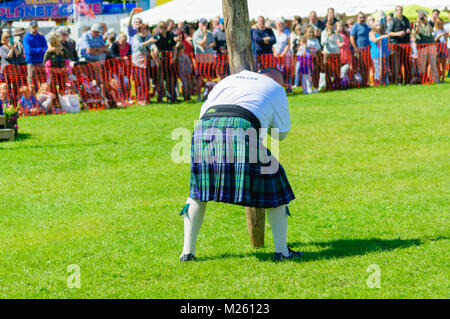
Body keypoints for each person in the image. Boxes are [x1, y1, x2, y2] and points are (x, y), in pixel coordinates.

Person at [180, 67, 300, 262]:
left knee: (198, 193)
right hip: (241, 128)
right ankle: (283, 253)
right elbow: (281, 133)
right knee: (277, 188)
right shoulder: (276, 88)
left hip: (203, 130)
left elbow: (203, 112)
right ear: (279, 81)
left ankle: (187, 253)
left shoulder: (229, 79)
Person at [152, 21, 178, 103]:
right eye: (161, 27)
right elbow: (152, 49)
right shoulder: (156, 36)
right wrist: (157, 60)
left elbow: (174, 47)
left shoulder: (170, 35)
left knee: (170, 80)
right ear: (158, 28)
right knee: (160, 81)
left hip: (169, 61)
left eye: (165, 27)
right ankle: (160, 98)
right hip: (160, 61)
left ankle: (171, 97)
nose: (163, 29)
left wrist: (174, 56)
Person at [193, 18, 216, 101]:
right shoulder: (196, 34)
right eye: (202, 23)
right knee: (200, 78)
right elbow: (202, 43)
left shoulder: (210, 33)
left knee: (209, 78)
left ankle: (208, 96)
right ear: (199, 24)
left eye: (205, 23)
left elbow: (214, 43)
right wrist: (205, 34)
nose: (204, 25)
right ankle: (199, 96)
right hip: (200, 59)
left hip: (209, 58)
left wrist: (208, 46)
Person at [387, 6, 411, 85]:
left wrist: (409, 30)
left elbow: (410, 28)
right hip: (396, 44)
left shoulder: (406, 19)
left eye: (401, 10)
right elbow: (389, 33)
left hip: (406, 44)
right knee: (397, 64)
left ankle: (407, 81)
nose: (400, 12)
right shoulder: (392, 21)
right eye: (398, 10)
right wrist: (398, 33)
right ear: (396, 12)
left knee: (407, 63)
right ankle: (399, 81)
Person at [131, 24, 154, 105]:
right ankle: (141, 99)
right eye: (146, 29)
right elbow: (138, 47)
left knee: (146, 82)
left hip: (146, 62)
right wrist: (149, 42)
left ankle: (145, 99)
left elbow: (151, 45)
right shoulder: (136, 37)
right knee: (140, 82)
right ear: (141, 30)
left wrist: (153, 46)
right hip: (138, 63)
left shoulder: (147, 37)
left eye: (148, 29)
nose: (147, 30)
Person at [23, 20, 47, 91]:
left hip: (40, 62)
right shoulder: (26, 38)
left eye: (36, 27)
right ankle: (33, 99)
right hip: (31, 63)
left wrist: (36, 51)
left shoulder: (41, 37)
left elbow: (46, 49)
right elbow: (28, 51)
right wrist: (40, 50)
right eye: (33, 27)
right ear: (30, 27)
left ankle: (42, 97)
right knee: (32, 84)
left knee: (43, 82)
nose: (35, 29)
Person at [415, 11, 439, 83]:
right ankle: (422, 79)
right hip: (421, 46)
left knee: (433, 63)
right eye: (421, 16)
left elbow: (431, 30)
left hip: (431, 45)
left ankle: (435, 80)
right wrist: (418, 23)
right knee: (422, 64)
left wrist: (426, 22)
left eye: (423, 16)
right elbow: (416, 32)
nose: (422, 18)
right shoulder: (417, 25)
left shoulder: (429, 23)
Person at [350, 12, 371, 87]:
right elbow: (352, 38)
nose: (362, 19)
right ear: (357, 18)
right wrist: (355, 48)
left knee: (367, 66)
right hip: (360, 49)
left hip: (368, 48)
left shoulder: (366, 26)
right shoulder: (355, 26)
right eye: (360, 17)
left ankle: (366, 81)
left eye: (363, 17)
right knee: (362, 66)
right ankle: (362, 82)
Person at [369, 21, 391, 86]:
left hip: (384, 53)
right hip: (376, 53)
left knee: (385, 68)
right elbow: (374, 40)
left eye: (379, 25)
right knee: (378, 68)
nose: (378, 26)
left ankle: (385, 82)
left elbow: (388, 41)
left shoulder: (382, 33)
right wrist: (382, 37)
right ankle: (377, 82)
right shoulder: (372, 33)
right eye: (376, 25)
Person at [321, 22, 342, 90]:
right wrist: (328, 35)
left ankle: (337, 85)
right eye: (329, 25)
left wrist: (338, 34)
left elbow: (341, 40)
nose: (330, 26)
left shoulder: (334, 33)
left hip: (336, 53)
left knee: (337, 71)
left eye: (332, 25)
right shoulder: (324, 33)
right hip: (328, 53)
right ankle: (329, 86)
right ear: (326, 25)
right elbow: (323, 43)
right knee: (328, 71)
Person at [273, 19, 292, 91]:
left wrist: (283, 53)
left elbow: (288, 43)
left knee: (287, 71)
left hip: (286, 55)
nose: (280, 25)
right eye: (279, 24)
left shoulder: (287, 32)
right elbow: (272, 44)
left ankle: (288, 87)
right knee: (277, 71)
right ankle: (277, 87)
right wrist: (275, 52)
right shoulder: (274, 32)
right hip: (276, 55)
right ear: (276, 25)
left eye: (282, 24)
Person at [433, 18, 448, 83]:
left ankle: (442, 79)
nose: (440, 24)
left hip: (444, 46)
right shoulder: (435, 30)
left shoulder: (444, 29)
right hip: (437, 47)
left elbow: (446, 40)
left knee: (443, 64)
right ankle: (438, 78)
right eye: (439, 23)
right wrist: (439, 36)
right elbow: (433, 40)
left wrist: (446, 36)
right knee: (438, 64)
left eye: (441, 23)